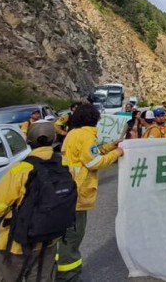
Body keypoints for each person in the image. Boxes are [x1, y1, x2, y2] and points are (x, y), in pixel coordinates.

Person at [0, 122, 59, 282]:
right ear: (53, 139)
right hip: (49, 240)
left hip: (17, 244)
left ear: (28, 141)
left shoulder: (20, 170)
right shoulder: (64, 165)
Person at [58, 104, 124, 281]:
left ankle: (59, 272)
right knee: (72, 238)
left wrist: (110, 146)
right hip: (77, 195)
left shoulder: (73, 133)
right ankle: (68, 276)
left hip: (67, 192)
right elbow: (94, 162)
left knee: (64, 237)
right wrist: (117, 153)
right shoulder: (86, 135)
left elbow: (89, 154)